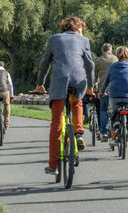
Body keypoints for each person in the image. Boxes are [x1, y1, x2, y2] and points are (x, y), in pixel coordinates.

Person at [30, 16, 95, 175]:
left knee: (57, 123)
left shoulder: (54, 39)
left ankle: (53, 165)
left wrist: (40, 83)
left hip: (59, 81)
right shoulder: (84, 40)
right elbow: (90, 64)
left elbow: (45, 63)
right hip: (78, 80)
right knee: (77, 103)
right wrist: (91, 87)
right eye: (81, 28)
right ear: (77, 27)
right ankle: (79, 133)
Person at [100, 46, 128, 146]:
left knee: (114, 116)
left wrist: (102, 91)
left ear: (117, 55)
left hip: (114, 95)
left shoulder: (113, 67)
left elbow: (106, 81)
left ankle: (113, 140)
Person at [94, 43, 118, 141]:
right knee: (114, 110)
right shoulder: (116, 59)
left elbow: (94, 78)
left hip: (103, 90)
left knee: (103, 110)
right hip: (116, 89)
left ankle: (103, 132)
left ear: (102, 51)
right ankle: (116, 130)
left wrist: (94, 88)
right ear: (111, 50)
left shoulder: (98, 61)